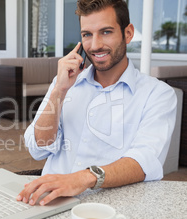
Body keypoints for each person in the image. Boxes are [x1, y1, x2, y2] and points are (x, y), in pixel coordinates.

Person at [17, 0, 177, 206]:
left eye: (106, 32)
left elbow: (145, 161)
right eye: (87, 35)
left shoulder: (157, 94)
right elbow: (38, 148)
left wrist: (82, 178)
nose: (95, 45)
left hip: (108, 210)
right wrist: (59, 91)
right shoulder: (64, 83)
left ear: (128, 33)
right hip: (47, 203)